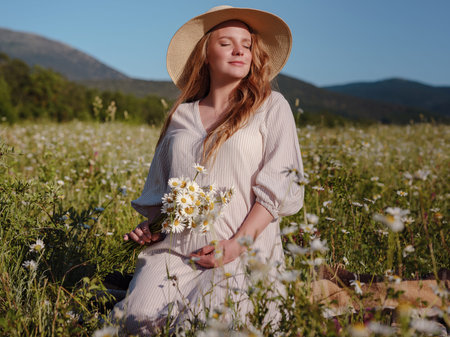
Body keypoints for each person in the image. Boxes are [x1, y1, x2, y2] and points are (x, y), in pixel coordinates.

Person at [112, 5, 304, 335]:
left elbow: (279, 189)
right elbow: (166, 195)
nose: (239, 49)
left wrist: (236, 245)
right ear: (205, 54)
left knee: (200, 326)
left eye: (246, 43)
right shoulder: (181, 116)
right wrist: (150, 227)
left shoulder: (272, 107)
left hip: (242, 251)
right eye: (226, 42)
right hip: (176, 251)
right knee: (134, 323)